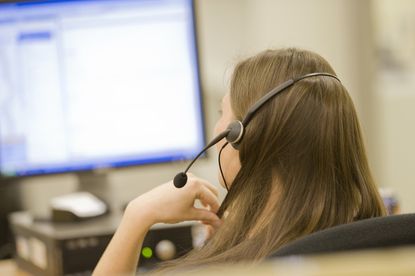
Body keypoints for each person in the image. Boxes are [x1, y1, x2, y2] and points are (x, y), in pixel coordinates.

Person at [93, 48, 386, 275]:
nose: (216, 129)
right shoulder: (377, 241)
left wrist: (137, 216)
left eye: (222, 113)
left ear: (240, 135)